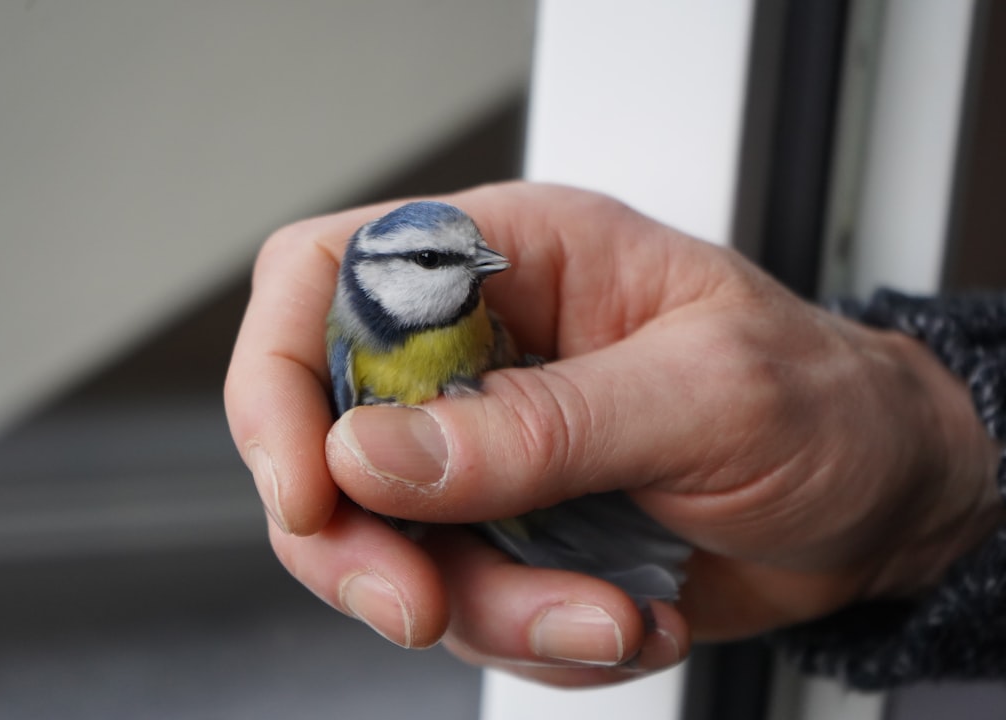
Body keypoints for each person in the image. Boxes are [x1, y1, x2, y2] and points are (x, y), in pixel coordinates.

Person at [223, 182, 1005, 689]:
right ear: (375, 274)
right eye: (436, 261)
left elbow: (505, 370)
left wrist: (538, 403)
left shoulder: (473, 314)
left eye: (471, 251)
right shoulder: (355, 344)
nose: (479, 268)